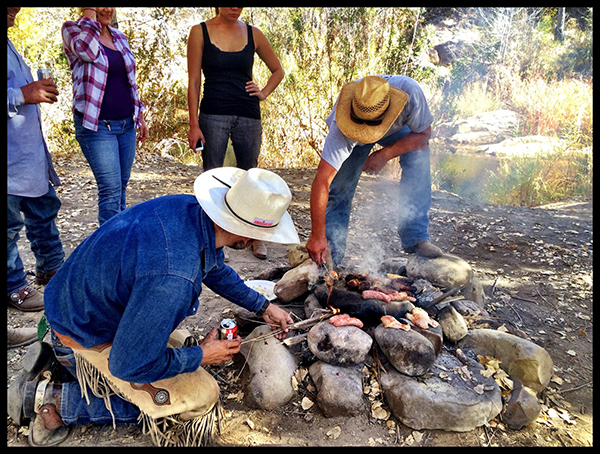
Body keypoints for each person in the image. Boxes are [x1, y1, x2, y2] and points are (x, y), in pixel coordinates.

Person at [8, 167, 300, 447]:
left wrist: (263, 307)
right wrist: (200, 356)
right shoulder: (174, 278)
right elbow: (128, 364)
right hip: (80, 335)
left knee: (179, 343)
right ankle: (51, 399)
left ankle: (57, 366)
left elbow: (214, 269)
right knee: (201, 399)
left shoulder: (191, 212)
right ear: (247, 236)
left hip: (73, 307)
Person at [306, 75, 443, 267]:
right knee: (340, 188)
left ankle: (416, 236)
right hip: (351, 137)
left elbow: (424, 135)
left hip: (396, 131)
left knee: (418, 155)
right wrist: (316, 235)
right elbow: (322, 181)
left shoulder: (410, 94)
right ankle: (330, 254)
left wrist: (386, 154)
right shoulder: (341, 125)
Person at [187, 7, 284, 260]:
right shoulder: (200, 32)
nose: (235, 8)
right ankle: (214, 238)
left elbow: (278, 70)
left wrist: (263, 92)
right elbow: (194, 81)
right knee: (211, 175)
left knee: (251, 176)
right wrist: (193, 124)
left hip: (248, 114)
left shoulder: (254, 34)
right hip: (213, 113)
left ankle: (254, 236)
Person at [7, 7, 65, 347]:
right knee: (9, 226)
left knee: (45, 211)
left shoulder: (11, 43)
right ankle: (14, 286)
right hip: (10, 164)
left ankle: (52, 269)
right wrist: (22, 95)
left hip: (29, 155)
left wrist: (31, 93)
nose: (16, 10)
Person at [62, 7, 149, 226]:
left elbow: (130, 80)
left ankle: (118, 243)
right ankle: (111, 253)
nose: (107, 9)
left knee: (120, 187)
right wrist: (90, 17)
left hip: (126, 125)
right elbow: (87, 52)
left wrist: (140, 117)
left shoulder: (118, 36)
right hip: (97, 126)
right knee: (110, 190)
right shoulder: (73, 31)